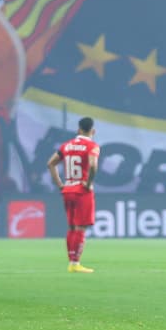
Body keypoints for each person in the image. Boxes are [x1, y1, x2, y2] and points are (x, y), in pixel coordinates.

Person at [47, 117, 100, 273]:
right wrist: (89, 182)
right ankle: (75, 263)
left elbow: (50, 163)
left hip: (68, 189)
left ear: (78, 130)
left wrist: (60, 184)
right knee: (80, 228)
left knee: (71, 228)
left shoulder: (66, 146)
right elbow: (93, 165)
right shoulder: (92, 146)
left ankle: (72, 261)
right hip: (82, 191)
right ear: (93, 131)